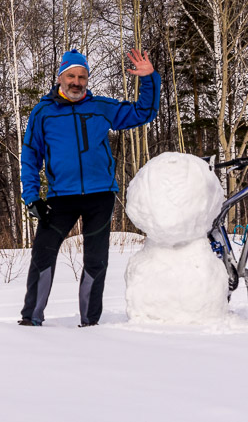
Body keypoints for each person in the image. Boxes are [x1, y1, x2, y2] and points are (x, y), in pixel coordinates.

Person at [19, 47, 160, 327]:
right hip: (61, 198)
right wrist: (31, 196)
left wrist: (149, 78)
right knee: (43, 253)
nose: (76, 81)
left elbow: (144, 112)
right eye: (71, 75)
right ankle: (31, 319)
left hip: (100, 195)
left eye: (82, 76)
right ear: (60, 78)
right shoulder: (43, 112)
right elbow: (30, 155)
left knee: (96, 260)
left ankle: (90, 323)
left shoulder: (100, 108)